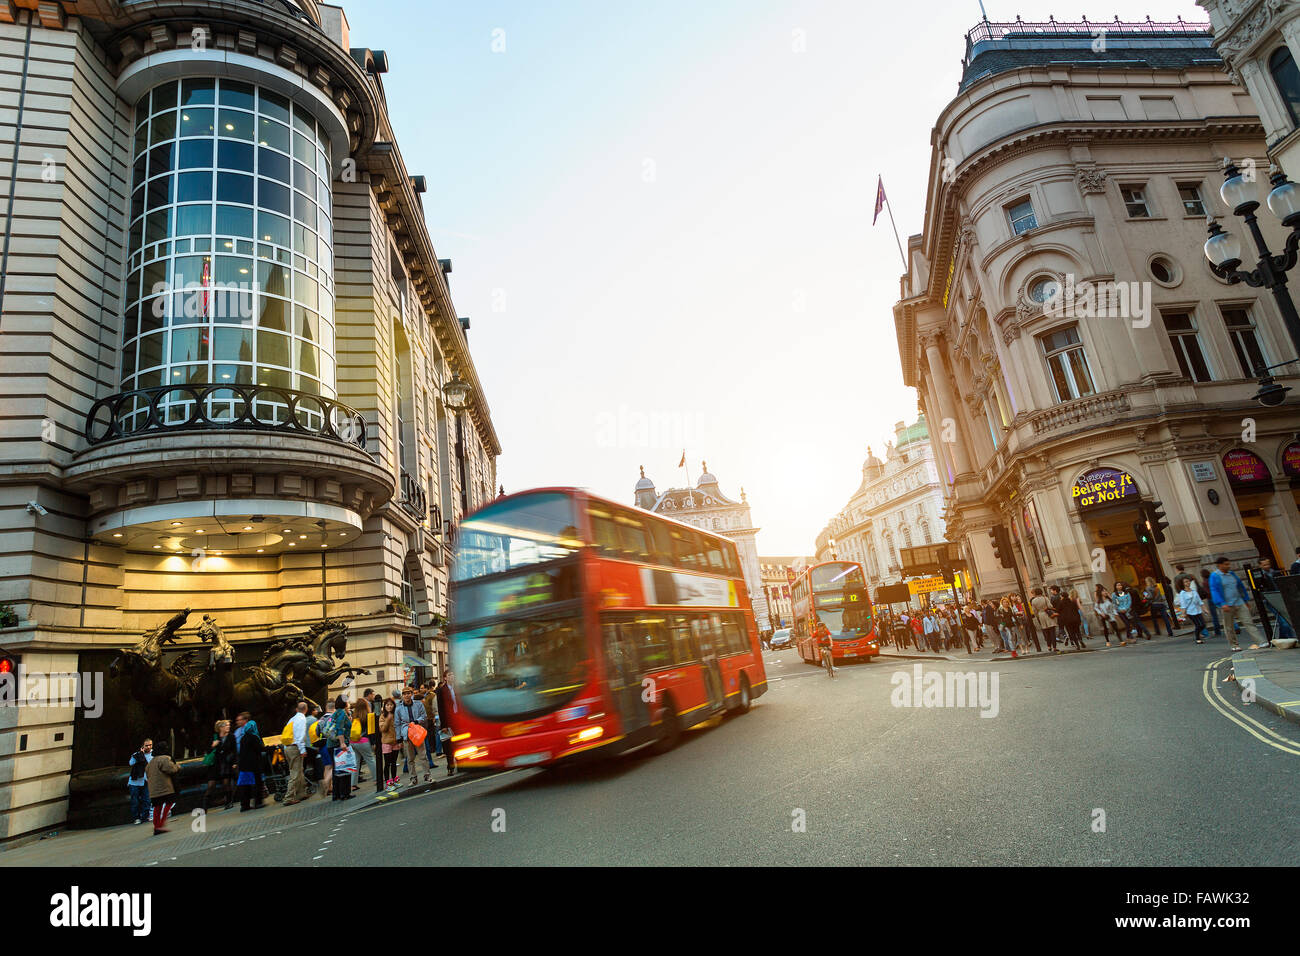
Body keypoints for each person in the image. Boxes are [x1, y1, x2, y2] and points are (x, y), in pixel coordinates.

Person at [1209, 556, 1262, 651]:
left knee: (1249, 622)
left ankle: (1260, 642)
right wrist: (1221, 603)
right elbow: (1214, 590)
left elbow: (1240, 587)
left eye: (1229, 564)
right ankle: (1234, 645)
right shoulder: (1214, 576)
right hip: (1227, 605)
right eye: (1226, 564)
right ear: (1220, 565)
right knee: (1229, 627)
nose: (1229, 566)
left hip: (1239, 602)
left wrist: (1245, 600)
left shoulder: (1232, 574)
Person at [395, 686, 431, 786]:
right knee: (410, 759)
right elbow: (397, 724)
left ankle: (427, 775)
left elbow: (424, 716)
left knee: (423, 756)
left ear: (412, 694)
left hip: (417, 733)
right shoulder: (398, 708)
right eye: (405, 694)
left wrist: (416, 721)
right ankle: (413, 778)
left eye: (409, 693)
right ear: (402, 696)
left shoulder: (418, 704)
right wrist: (398, 738)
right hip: (406, 734)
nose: (407, 695)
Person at [145, 742, 180, 836]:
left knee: (157, 806)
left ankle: (157, 826)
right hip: (165, 788)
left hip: (154, 790)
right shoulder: (164, 758)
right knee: (169, 803)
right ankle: (161, 824)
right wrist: (177, 766)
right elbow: (171, 769)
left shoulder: (151, 762)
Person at [234, 712, 266, 812]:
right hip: (253, 764)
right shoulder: (253, 737)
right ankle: (258, 802)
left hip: (243, 765)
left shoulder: (243, 737)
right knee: (257, 783)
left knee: (245, 785)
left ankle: (245, 805)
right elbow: (259, 749)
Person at [202, 720, 235, 810]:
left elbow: (234, 750)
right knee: (211, 785)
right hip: (214, 765)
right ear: (221, 728)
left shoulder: (231, 736)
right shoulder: (215, 737)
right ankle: (205, 805)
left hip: (225, 764)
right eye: (226, 725)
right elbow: (207, 751)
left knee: (226, 783)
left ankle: (229, 802)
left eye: (229, 725)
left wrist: (233, 762)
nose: (228, 727)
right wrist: (213, 746)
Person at [283, 702, 310, 805]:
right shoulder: (302, 719)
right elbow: (300, 736)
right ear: (306, 709)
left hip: (287, 748)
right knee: (295, 773)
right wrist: (302, 750)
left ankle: (301, 793)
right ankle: (288, 797)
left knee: (299, 770)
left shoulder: (292, 719)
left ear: (296, 709)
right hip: (295, 748)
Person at [436, 674, 459, 777]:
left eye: (453, 674)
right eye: (449, 675)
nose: (452, 676)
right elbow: (441, 708)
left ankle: (462, 764)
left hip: (458, 719)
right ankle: (450, 767)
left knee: (459, 743)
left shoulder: (457, 688)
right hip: (448, 721)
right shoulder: (441, 690)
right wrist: (443, 725)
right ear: (445, 678)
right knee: (449, 746)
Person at [351, 696, 377, 784]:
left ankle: (353, 784)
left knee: (356, 763)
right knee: (370, 759)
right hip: (364, 741)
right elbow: (371, 732)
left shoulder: (354, 716)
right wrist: (373, 743)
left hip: (353, 741)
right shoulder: (369, 716)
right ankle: (376, 779)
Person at [127, 738, 153, 825]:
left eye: (150, 745)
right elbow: (131, 763)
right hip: (135, 781)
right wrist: (140, 754)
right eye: (146, 745)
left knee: (147, 800)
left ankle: (145, 816)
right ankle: (136, 818)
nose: (148, 747)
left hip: (145, 780)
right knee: (135, 800)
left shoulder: (153, 755)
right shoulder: (136, 755)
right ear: (142, 746)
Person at [1174, 578, 1208, 643]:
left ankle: (1198, 633)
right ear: (1183, 584)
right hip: (1190, 612)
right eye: (1186, 582)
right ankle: (1198, 638)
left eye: (1188, 581)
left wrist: (1205, 609)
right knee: (1198, 625)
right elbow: (1183, 604)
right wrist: (1183, 614)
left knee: (1203, 624)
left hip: (1198, 610)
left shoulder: (1194, 591)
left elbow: (1200, 601)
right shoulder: (1182, 593)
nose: (1188, 583)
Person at [1031, 587, 1058, 653]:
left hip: (1041, 615)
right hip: (1047, 614)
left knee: (1046, 632)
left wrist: (1038, 617)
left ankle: (1049, 646)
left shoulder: (1033, 601)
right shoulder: (1045, 598)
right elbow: (1050, 606)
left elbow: (1034, 611)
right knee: (1052, 632)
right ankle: (1054, 647)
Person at [380, 698, 400, 788]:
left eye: (391, 705)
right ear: (384, 706)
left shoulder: (396, 715)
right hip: (386, 742)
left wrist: (400, 740)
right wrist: (388, 719)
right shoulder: (382, 716)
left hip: (395, 742)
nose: (389, 706)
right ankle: (388, 782)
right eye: (387, 705)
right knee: (387, 763)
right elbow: (382, 729)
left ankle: (394, 779)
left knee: (394, 762)